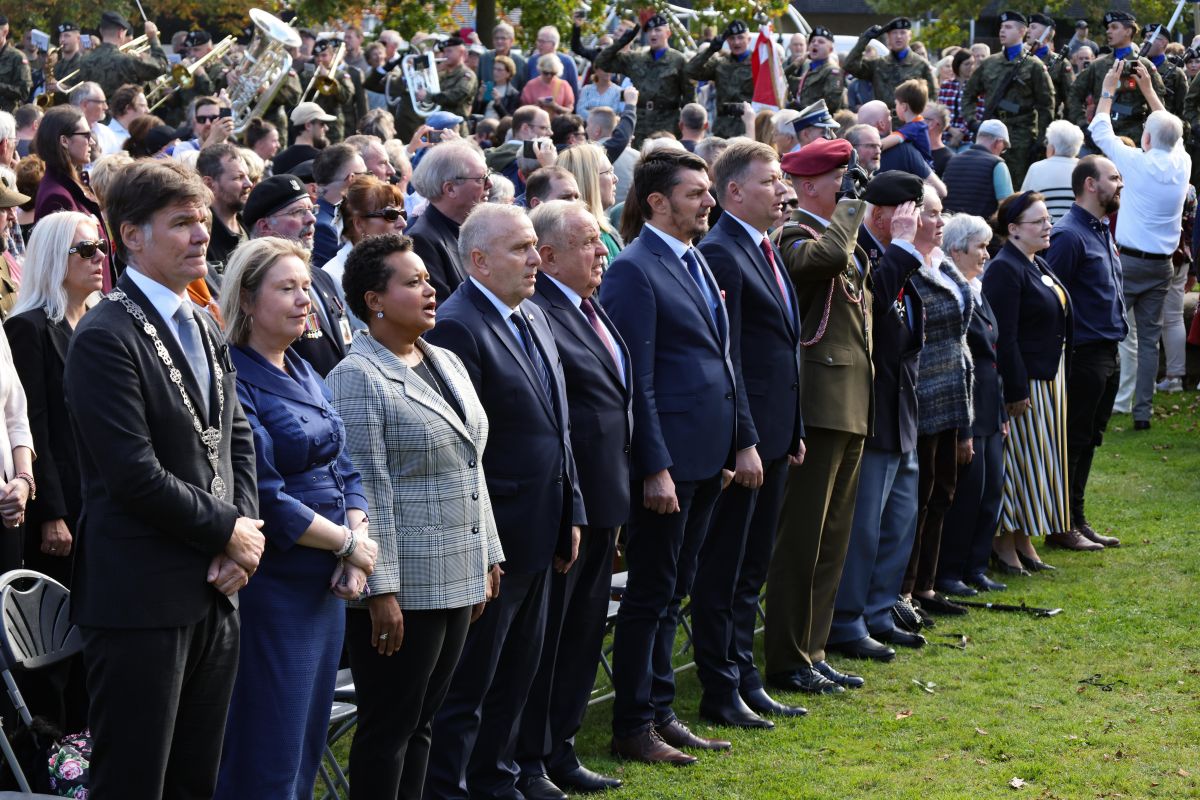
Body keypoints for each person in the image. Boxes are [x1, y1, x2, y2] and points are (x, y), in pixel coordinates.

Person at [62, 158, 264, 799]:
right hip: (141, 597)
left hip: (214, 587)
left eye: (202, 221)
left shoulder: (202, 319)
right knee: (134, 782)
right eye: (181, 223)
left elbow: (236, 438)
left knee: (193, 781)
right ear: (131, 235)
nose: (202, 236)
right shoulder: (105, 335)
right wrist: (230, 530)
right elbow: (133, 475)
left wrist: (244, 537)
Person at [327, 232, 501, 798]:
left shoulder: (443, 358)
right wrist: (381, 591)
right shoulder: (356, 376)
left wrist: (488, 554)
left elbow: (471, 464)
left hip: (459, 568)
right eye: (413, 282)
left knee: (424, 723)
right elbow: (365, 492)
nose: (431, 291)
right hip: (406, 587)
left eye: (428, 279)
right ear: (374, 299)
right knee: (390, 727)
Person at [424, 203, 583, 800]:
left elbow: (558, 426)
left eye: (536, 247)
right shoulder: (460, 325)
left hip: (544, 525)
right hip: (494, 535)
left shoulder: (533, 316)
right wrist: (484, 540)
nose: (537, 259)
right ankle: (453, 786)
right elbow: (467, 451)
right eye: (521, 249)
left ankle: (499, 778)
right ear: (479, 260)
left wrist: (572, 510)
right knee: (473, 681)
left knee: (519, 670)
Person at [213, 236, 376, 798]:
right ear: (248, 300)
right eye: (287, 288)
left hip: (325, 585)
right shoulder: (233, 377)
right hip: (276, 586)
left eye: (306, 286)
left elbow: (348, 468)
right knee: (269, 745)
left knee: (306, 741)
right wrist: (345, 547)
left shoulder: (305, 368)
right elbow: (265, 493)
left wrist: (357, 546)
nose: (304, 299)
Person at [599, 149, 737, 765]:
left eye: (708, 191)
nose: (708, 202)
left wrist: (741, 439)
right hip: (670, 464)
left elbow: (723, 361)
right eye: (695, 193)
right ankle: (634, 725)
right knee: (652, 594)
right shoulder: (634, 268)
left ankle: (660, 713)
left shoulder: (695, 260)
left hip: (708, 456)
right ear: (657, 202)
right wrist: (654, 466)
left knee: (674, 589)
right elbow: (640, 379)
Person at [691, 140, 808, 726]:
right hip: (746, 442)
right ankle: (723, 686)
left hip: (777, 433)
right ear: (733, 191)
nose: (783, 190)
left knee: (753, 566)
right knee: (726, 570)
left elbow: (783, 345)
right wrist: (747, 440)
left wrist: (795, 428)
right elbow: (730, 356)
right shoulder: (722, 253)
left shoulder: (764, 247)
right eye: (771, 181)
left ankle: (745, 677)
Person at [516, 200, 630, 795]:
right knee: (551, 639)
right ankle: (531, 758)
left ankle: (561, 747)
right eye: (589, 242)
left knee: (584, 632)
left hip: (604, 498)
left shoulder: (589, 308)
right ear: (550, 255)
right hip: (565, 506)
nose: (602, 253)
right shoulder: (540, 313)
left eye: (602, 241)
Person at [767, 138, 876, 695]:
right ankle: (787, 657)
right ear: (809, 185)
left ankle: (813, 648)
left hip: (850, 400)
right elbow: (826, 262)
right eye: (840, 180)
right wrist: (850, 211)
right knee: (803, 540)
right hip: (819, 402)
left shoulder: (840, 232)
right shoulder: (793, 235)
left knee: (833, 538)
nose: (849, 188)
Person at [828, 172, 929, 661]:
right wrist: (904, 252)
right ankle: (847, 620)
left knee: (897, 522)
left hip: (899, 408)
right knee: (864, 525)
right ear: (882, 213)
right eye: (911, 210)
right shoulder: (860, 253)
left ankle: (880, 611)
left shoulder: (895, 257)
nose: (919, 220)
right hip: (866, 410)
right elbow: (870, 313)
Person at [6, 210, 105, 586]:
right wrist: (51, 512)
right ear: (52, 257)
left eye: (100, 246)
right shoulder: (27, 328)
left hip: (104, 497)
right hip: (64, 505)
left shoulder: (101, 325)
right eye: (85, 249)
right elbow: (33, 425)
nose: (99, 257)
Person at [1092, 61, 1188, 428]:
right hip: (1162, 264)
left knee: (1111, 331)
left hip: (1129, 263)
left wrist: (1108, 89)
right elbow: (1170, 132)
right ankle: (1142, 413)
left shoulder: (1136, 162)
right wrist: (1149, 91)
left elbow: (1100, 129)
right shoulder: (1183, 163)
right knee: (1149, 342)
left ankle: (1107, 403)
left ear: (1146, 139)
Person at [983, 191, 1071, 574]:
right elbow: (1006, 335)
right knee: (1018, 466)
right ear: (1014, 229)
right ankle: (1003, 545)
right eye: (1039, 221)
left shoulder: (1035, 262)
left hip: (1049, 379)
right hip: (1026, 384)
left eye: (1048, 219)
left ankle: (1024, 541)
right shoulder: (1005, 268)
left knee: (1037, 464)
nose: (1048, 225)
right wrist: (1016, 388)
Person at [1044, 156, 1127, 550]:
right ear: (1091, 185)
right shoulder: (1068, 235)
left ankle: (1077, 518)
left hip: (1107, 352)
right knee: (1073, 440)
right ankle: (1062, 525)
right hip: (1082, 355)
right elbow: (1051, 298)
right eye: (1114, 178)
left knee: (1089, 438)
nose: (1120, 184)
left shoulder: (1101, 229)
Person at [903, 187, 976, 607]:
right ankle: (906, 590)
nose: (940, 220)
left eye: (940, 212)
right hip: (921, 396)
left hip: (952, 390)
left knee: (943, 491)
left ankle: (926, 586)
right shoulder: (907, 265)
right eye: (931, 213)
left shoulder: (940, 260)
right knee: (919, 497)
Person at [936, 213, 1010, 591]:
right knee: (966, 493)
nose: (987, 253)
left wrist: (1000, 412)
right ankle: (950, 571)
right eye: (980, 246)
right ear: (956, 250)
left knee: (990, 490)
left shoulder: (977, 288)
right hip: (966, 405)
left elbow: (992, 354)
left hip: (988, 404)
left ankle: (976, 566)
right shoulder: (952, 291)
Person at [243, 174, 351, 377]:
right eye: (298, 212)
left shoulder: (322, 277)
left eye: (312, 210)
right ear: (265, 226)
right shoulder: (252, 283)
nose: (311, 219)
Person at [963, 11, 1054, 187]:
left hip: (1021, 136)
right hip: (991, 133)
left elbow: (1047, 105)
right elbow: (969, 94)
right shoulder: (990, 63)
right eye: (1001, 27)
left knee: (1017, 185)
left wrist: (1041, 140)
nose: (1002, 31)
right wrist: (971, 122)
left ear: (1022, 32)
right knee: (986, 183)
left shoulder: (1034, 65)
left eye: (1008, 27)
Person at [32, 105, 112, 290]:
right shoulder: (57, 197)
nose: (91, 142)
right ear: (64, 141)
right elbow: (62, 271)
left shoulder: (67, 187)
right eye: (85, 135)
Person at [408, 140, 491, 302]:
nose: (490, 184)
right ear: (450, 189)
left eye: (488, 175)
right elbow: (442, 313)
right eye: (481, 179)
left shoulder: (474, 228)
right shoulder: (422, 241)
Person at [1069, 11, 1165, 143]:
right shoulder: (1098, 66)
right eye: (1108, 28)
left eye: (1114, 27)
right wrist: (1083, 125)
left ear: (1128, 31)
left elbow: (1156, 105)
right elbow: (1074, 94)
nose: (1108, 31)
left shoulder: (1144, 66)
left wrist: (1149, 136)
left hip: (1134, 142)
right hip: (1101, 139)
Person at [595, 15, 692, 145]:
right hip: (640, 124)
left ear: (668, 33)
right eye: (649, 30)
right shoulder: (636, 58)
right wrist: (623, 41)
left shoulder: (679, 60)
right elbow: (602, 62)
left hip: (667, 123)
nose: (653, 34)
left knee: (667, 161)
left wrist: (687, 129)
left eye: (658, 30)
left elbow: (689, 97)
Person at [322, 174, 407, 288]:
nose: (403, 223)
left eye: (402, 214)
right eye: (391, 214)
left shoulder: (404, 263)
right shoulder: (334, 277)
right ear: (359, 224)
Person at [844, 17, 936, 113]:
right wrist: (865, 39)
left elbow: (932, 96)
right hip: (883, 120)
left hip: (910, 121)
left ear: (910, 36)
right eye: (894, 33)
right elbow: (849, 66)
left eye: (903, 33)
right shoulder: (878, 64)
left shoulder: (921, 64)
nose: (898, 36)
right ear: (888, 37)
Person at [76, 11, 168, 101]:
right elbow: (161, 66)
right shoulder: (128, 60)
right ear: (120, 33)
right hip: (126, 112)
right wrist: (153, 37)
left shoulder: (85, 60)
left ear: (101, 31)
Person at [685, 21, 754, 138]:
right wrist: (710, 50)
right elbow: (690, 71)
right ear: (727, 41)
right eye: (732, 38)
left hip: (748, 126)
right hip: (723, 128)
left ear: (749, 39)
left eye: (740, 37)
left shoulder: (758, 64)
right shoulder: (720, 63)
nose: (736, 42)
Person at [558, 143, 623, 259]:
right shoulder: (579, 242)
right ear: (589, 180)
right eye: (608, 172)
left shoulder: (604, 229)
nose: (615, 179)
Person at [942, 119, 1014, 219]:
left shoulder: (952, 161)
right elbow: (1006, 206)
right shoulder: (997, 164)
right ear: (998, 142)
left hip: (949, 229)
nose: (1002, 151)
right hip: (980, 231)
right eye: (1004, 148)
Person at [312, 143, 367, 268]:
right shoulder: (324, 227)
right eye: (366, 174)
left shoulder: (330, 215)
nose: (370, 180)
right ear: (351, 178)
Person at [198, 143, 252, 266]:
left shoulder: (251, 224)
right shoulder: (202, 238)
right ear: (209, 184)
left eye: (247, 176)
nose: (249, 184)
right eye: (238, 178)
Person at [1021, 119, 1085, 222]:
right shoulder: (1086, 168)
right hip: (1078, 230)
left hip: (1044, 231)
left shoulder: (1036, 168)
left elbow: (1023, 204)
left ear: (1052, 147)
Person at [298, 38, 354, 144]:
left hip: (333, 127)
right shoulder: (307, 74)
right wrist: (314, 81)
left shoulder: (341, 75)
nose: (320, 59)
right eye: (317, 56)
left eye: (324, 55)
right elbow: (301, 97)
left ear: (332, 56)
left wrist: (329, 80)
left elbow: (346, 98)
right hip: (311, 125)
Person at [1028, 14, 1074, 122]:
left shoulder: (1060, 63)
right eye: (1028, 27)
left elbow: (1071, 100)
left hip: (1047, 124)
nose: (1028, 30)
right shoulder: (1021, 60)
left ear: (1047, 33)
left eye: (1033, 27)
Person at [792, 26, 845, 114]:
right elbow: (783, 80)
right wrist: (795, 65)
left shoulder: (832, 72)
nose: (815, 44)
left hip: (820, 124)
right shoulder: (810, 69)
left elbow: (831, 105)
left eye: (821, 42)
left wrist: (803, 109)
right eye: (812, 41)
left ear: (830, 49)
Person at [274, 102, 335, 177]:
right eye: (322, 124)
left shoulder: (278, 160)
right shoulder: (323, 159)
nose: (326, 128)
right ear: (308, 125)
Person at [69, 82, 121, 157]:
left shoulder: (106, 133)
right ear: (85, 104)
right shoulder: (65, 134)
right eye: (102, 102)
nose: (106, 107)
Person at [524, 26, 579, 94]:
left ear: (554, 44)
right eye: (538, 41)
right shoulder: (532, 61)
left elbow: (575, 92)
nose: (539, 44)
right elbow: (525, 89)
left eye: (542, 42)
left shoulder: (567, 62)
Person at [521, 54, 575, 121]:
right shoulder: (530, 85)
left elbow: (569, 110)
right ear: (540, 70)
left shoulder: (564, 85)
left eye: (552, 73)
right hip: (535, 124)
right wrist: (537, 105)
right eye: (546, 73)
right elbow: (522, 110)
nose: (549, 76)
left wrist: (555, 106)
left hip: (557, 125)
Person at [479, 22, 527, 95]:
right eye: (496, 38)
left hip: (511, 104)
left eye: (503, 38)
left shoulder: (520, 62)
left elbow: (523, 89)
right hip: (487, 102)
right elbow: (477, 83)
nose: (499, 41)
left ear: (511, 41)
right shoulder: (484, 58)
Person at [105, 83, 148, 150]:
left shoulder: (141, 135)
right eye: (142, 105)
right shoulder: (106, 137)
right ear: (128, 108)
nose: (147, 110)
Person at [479, 54, 522, 119]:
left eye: (499, 70)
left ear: (508, 73)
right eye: (494, 69)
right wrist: (480, 99)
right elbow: (478, 113)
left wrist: (498, 104)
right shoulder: (489, 87)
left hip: (499, 127)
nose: (495, 72)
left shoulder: (513, 94)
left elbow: (509, 120)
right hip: (483, 124)